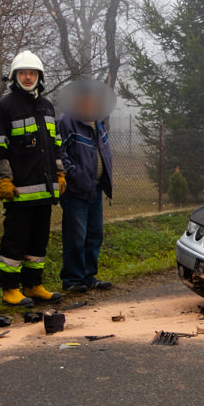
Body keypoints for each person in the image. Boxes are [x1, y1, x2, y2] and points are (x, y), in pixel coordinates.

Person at [0, 50, 64, 306]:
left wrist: (60, 173)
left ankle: (33, 285)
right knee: (15, 240)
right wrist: (4, 180)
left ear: (39, 77)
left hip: (46, 191)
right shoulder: (4, 107)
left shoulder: (47, 106)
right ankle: (9, 289)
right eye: (23, 73)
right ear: (14, 76)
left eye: (32, 73)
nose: (28, 77)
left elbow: (55, 145)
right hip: (19, 190)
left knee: (38, 241)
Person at [56, 80, 115, 292]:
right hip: (75, 191)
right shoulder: (66, 121)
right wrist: (74, 175)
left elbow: (103, 151)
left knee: (94, 235)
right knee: (76, 236)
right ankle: (72, 280)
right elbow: (59, 153)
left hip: (96, 188)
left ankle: (89, 276)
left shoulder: (98, 122)